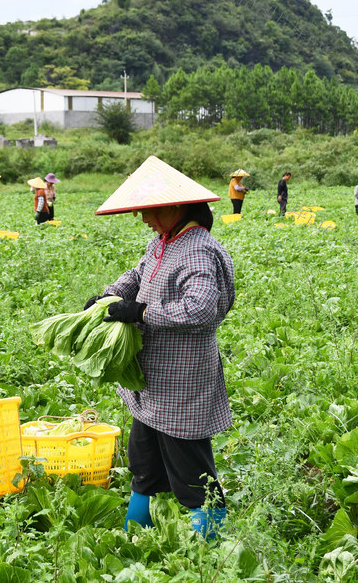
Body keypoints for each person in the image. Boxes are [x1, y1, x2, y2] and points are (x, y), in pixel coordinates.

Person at [87, 155, 234, 542]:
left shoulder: (197, 249)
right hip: (152, 382)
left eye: (149, 212)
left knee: (192, 473)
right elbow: (137, 275)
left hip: (181, 383)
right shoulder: (165, 241)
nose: (145, 220)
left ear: (173, 206)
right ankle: (135, 539)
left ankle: (210, 551)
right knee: (145, 465)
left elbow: (200, 309)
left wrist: (141, 312)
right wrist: (111, 296)